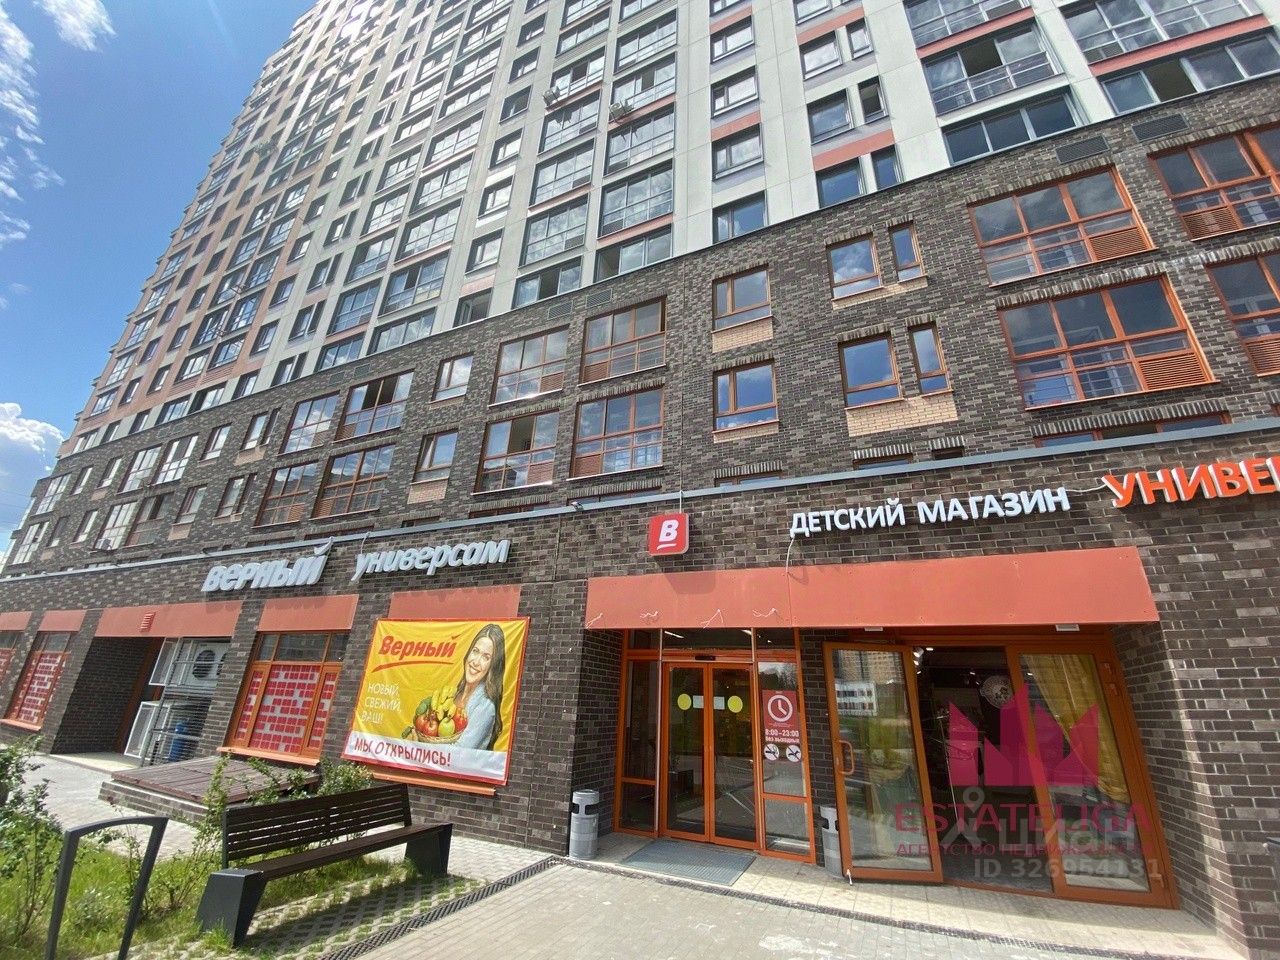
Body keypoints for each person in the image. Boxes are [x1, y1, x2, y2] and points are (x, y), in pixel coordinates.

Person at [453, 623, 506, 751]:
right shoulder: (456, 693)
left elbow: (461, 752)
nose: (476, 662)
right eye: (475, 651)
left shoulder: (485, 706)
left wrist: (421, 747)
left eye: (486, 657)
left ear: (492, 666)